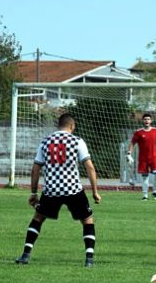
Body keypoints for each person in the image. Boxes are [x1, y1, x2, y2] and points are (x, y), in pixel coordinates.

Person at [15, 114, 101, 267]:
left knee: (38, 218)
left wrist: (33, 193)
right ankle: (89, 259)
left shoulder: (45, 142)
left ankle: (25, 255)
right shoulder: (77, 141)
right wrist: (95, 191)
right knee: (87, 220)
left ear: (58, 125)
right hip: (73, 189)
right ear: (72, 126)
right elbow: (90, 167)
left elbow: (35, 169)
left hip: (51, 190)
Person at [127, 113, 156, 201]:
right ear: (143, 121)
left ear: (151, 121)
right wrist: (129, 153)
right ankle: (145, 195)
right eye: (145, 119)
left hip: (154, 157)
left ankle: (154, 192)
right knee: (145, 177)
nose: (147, 121)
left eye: (148, 119)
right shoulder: (138, 132)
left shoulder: (155, 131)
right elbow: (132, 143)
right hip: (143, 159)